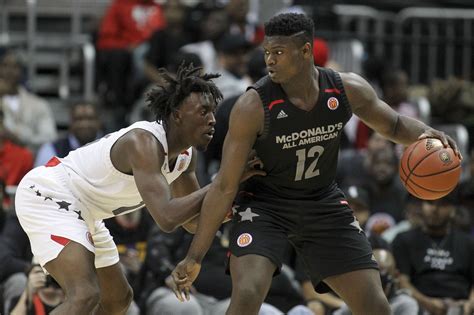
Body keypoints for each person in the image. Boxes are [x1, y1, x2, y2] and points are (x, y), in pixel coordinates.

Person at [170, 13, 461, 315]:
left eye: (279, 53)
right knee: (247, 296)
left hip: (322, 201)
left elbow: (396, 125)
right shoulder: (252, 105)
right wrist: (195, 257)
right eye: (267, 53)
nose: (270, 60)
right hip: (266, 205)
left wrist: (428, 133)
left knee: (376, 306)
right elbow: (225, 185)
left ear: (305, 51)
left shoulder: (345, 88)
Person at [14, 63, 264, 314]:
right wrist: (224, 180)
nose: (212, 120)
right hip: (51, 194)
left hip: (87, 212)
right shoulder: (143, 142)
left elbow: (192, 222)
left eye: (213, 112)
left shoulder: (186, 156)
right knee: (84, 294)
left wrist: (229, 197)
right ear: (177, 114)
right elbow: (166, 218)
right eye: (203, 111)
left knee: (118, 299)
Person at [392, 192, 474, 315]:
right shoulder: (404, 239)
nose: (435, 209)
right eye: (430, 203)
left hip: (460, 304)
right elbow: (402, 281)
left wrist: (469, 305)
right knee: (405, 303)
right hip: (419, 304)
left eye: (442, 204)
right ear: (422, 206)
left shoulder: (468, 242)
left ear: (453, 210)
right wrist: (428, 303)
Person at [333, 249, 419, 315]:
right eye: (374, 277)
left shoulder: (404, 303)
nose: (378, 284)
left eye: (383, 278)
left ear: (395, 276)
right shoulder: (359, 300)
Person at [34, 101, 102, 167]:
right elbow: (41, 177)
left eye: (90, 119)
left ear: (99, 122)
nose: (84, 124)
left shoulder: (109, 145)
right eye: (79, 119)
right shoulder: (51, 149)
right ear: (71, 122)